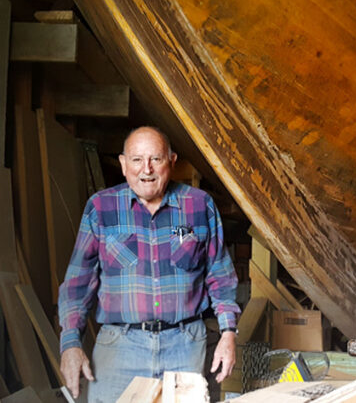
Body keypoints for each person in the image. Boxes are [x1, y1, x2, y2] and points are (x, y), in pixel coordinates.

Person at [58, 126, 240, 402]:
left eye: (156, 159)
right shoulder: (101, 208)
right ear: (123, 164)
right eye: (136, 160)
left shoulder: (198, 205)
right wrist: (70, 344)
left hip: (184, 345)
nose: (147, 169)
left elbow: (220, 274)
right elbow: (77, 283)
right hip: (120, 347)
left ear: (172, 161)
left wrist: (228, 334)